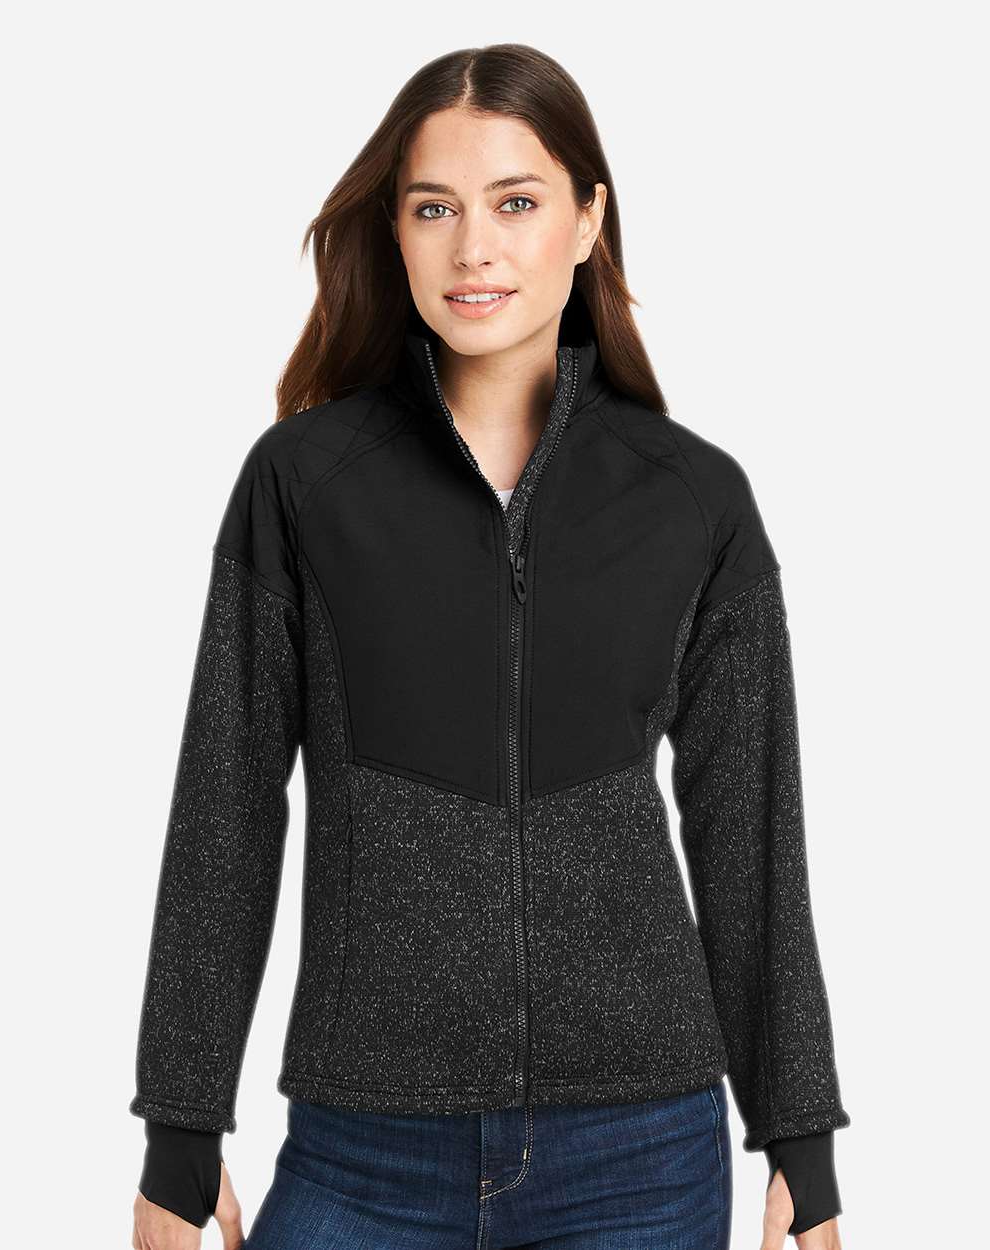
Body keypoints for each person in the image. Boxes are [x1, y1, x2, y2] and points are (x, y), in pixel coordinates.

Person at [130, 43, 851, 1250]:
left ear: (587, 220)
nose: (474, 247)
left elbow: (751, 836)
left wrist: (801, 1139)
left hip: (639, 1150)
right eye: (434, 208)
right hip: (365, 1148)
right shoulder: (304, 484)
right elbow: (226, 806)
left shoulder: (693, 501)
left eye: (515, 202)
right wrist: (179, 1126)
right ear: (396, 234)